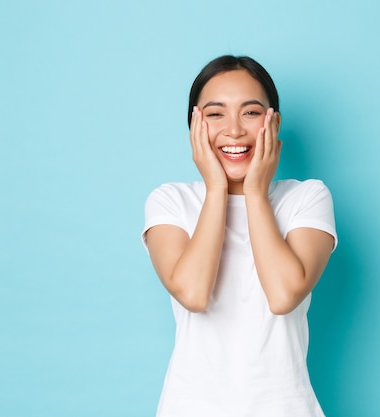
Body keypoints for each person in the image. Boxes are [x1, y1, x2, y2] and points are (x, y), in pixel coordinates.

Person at [142, 55, 337, 417]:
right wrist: (216, 188)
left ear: (273, 121)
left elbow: (282, 296)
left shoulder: (306, 199)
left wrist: (255, 193)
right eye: (215, 114)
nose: (233, 130)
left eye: (250, 112)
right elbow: (194, 294)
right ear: (194, 126)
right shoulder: (170, 201)